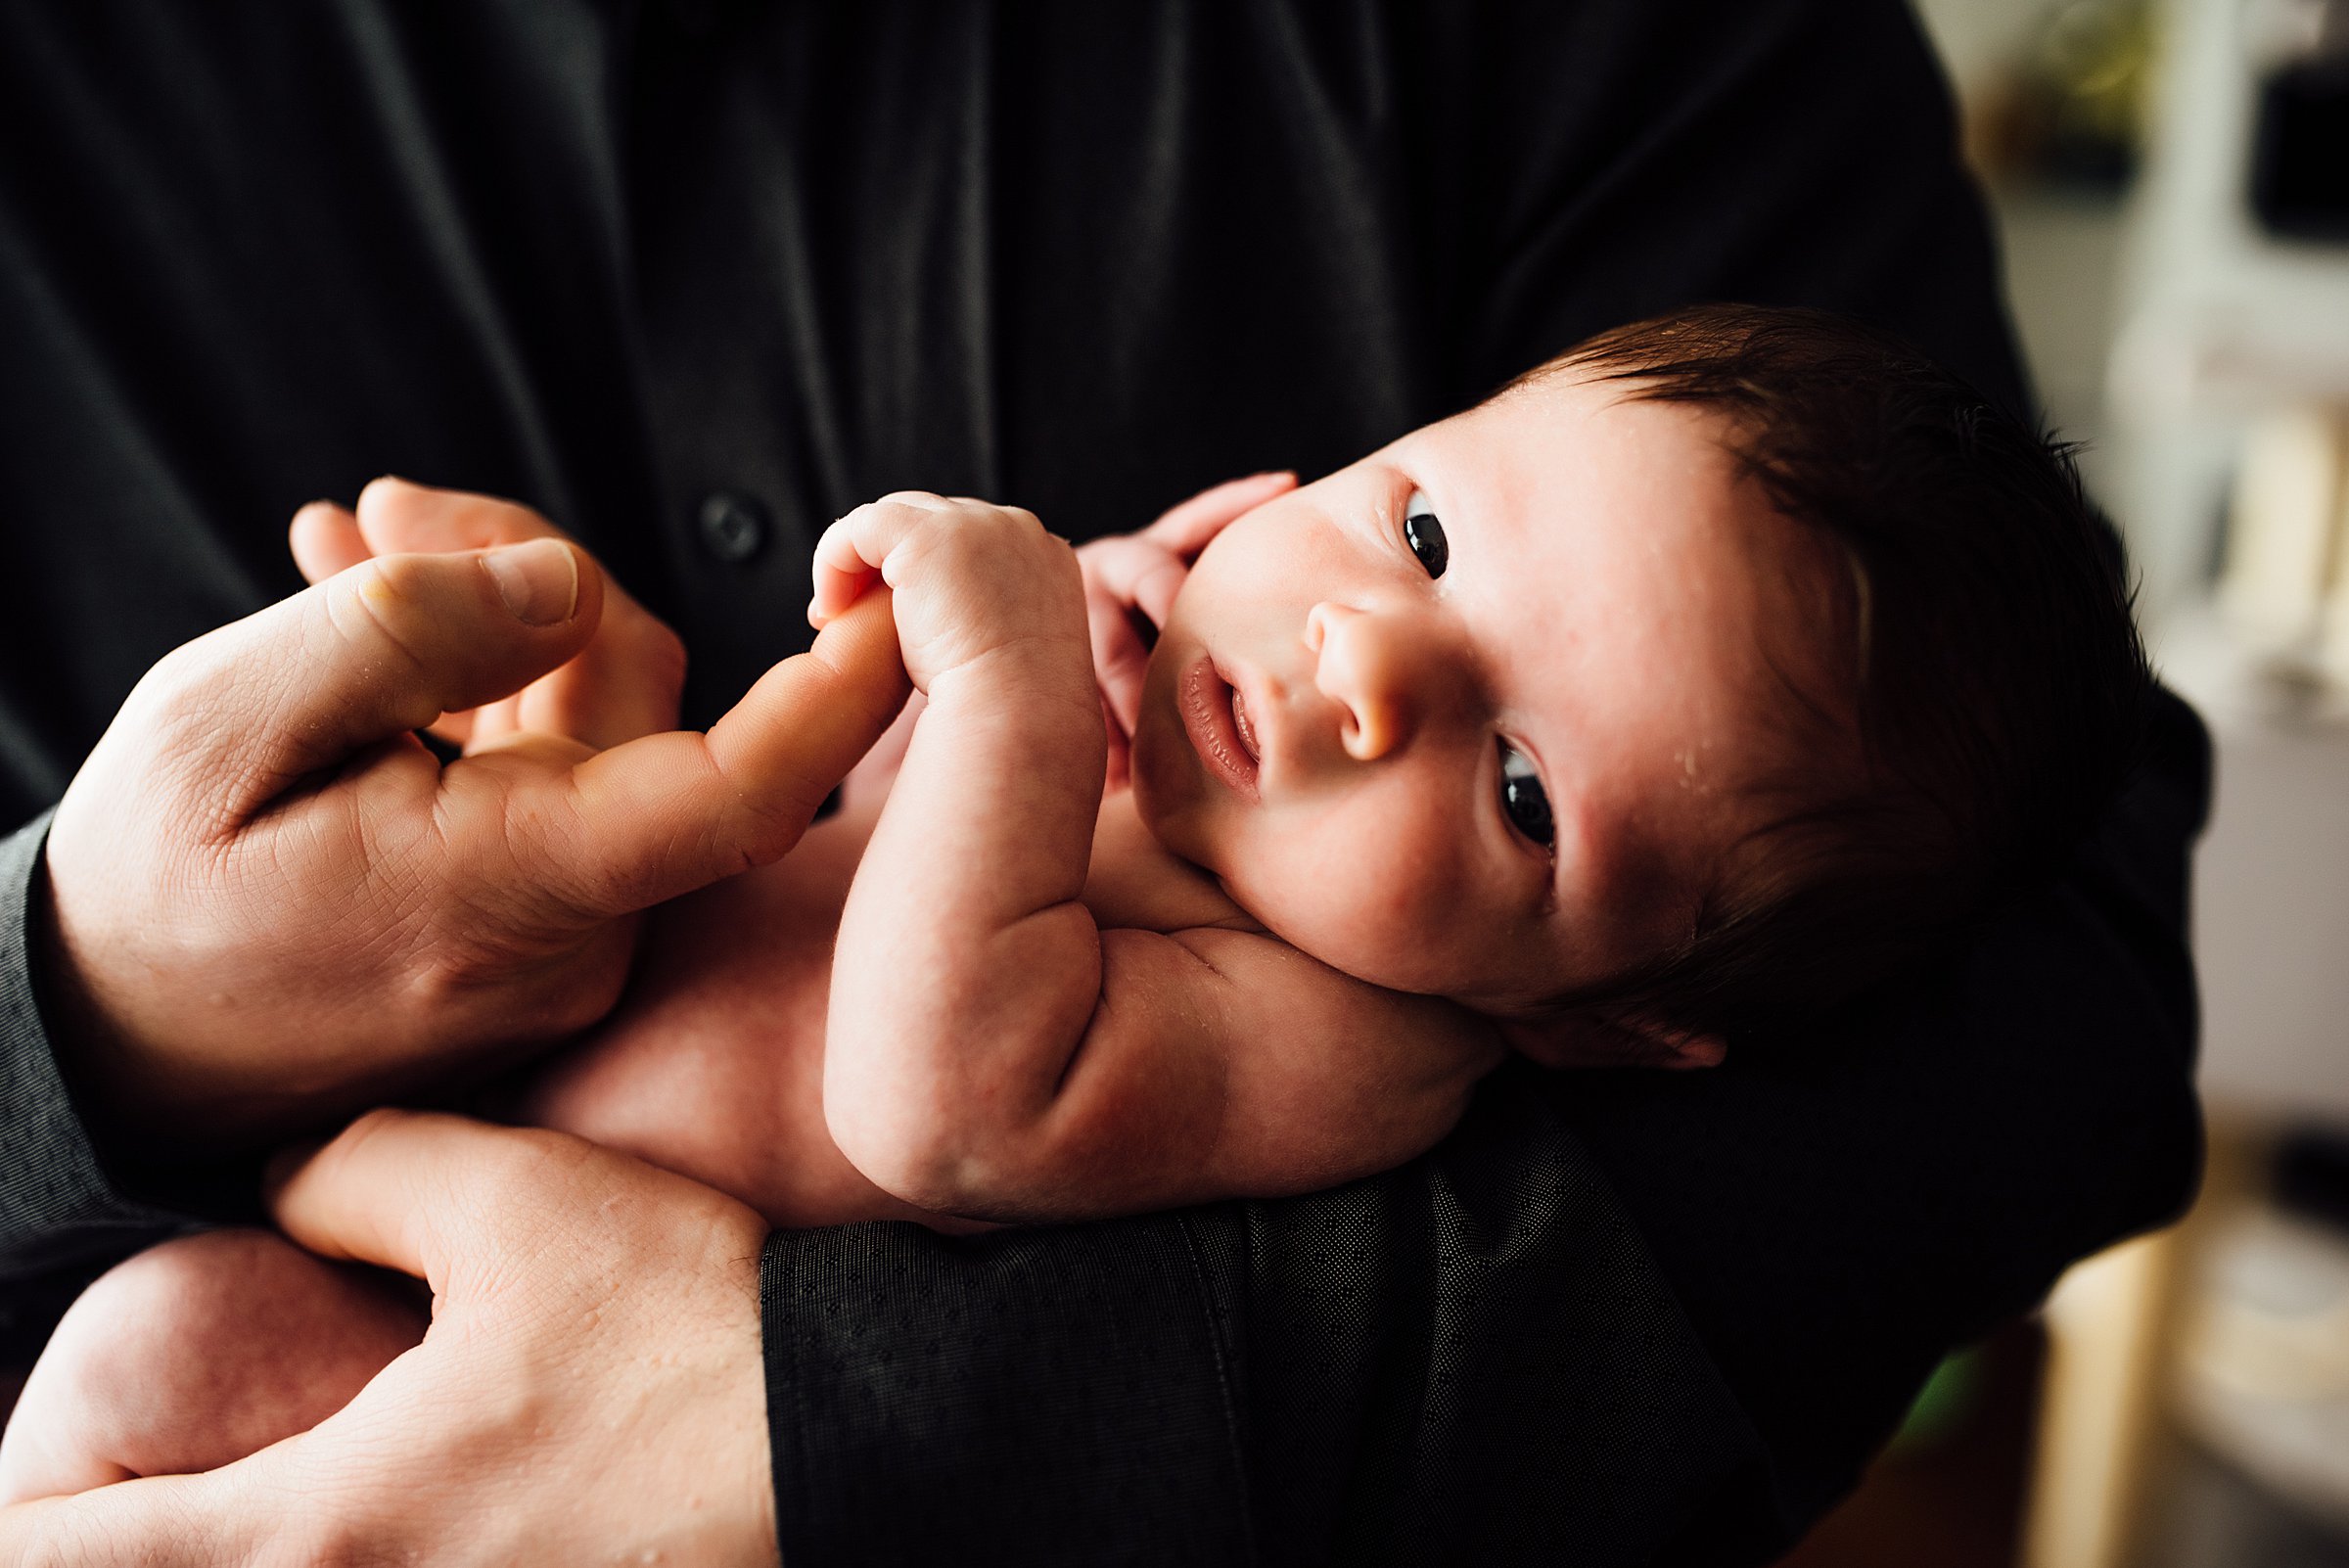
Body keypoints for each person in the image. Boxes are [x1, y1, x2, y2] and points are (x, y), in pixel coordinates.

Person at [0, 3, 2206, 1562]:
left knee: (158, 1370)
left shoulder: (1339, 1038)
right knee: (109, 1375)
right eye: (1419, 531)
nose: (1366, 672)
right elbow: (744, 857)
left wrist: (1008, 685)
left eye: (1525, 793)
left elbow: (944, 1103)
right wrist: (555, 709)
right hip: (442, 1143)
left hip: (471, 1360)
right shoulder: (1182, 649)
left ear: (1595, 1015)